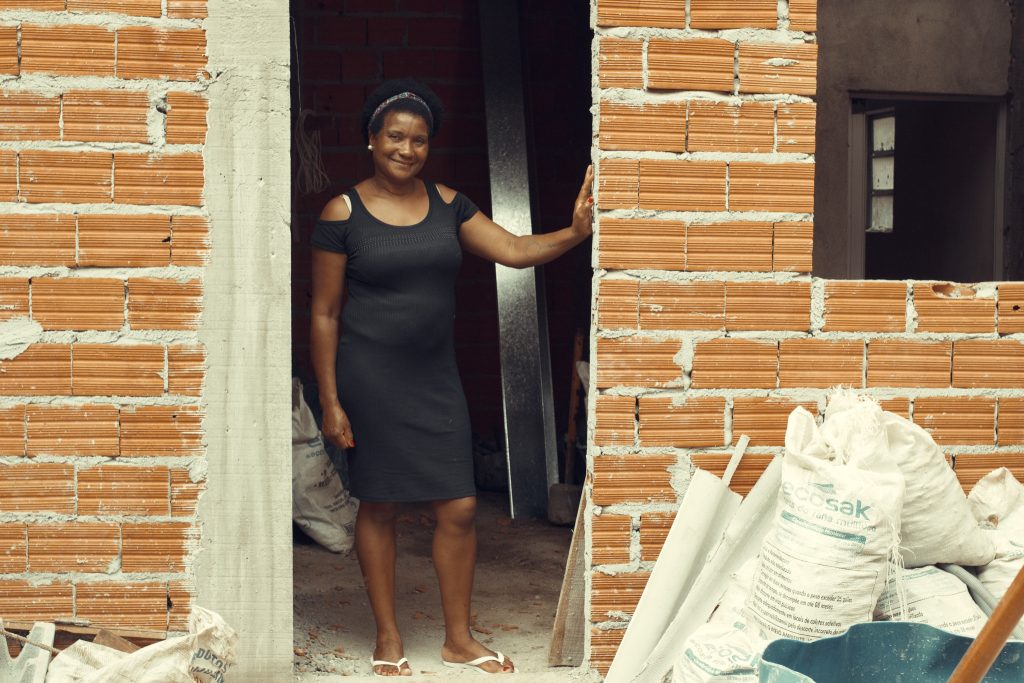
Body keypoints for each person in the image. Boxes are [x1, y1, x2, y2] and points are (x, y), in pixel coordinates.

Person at [310, 78, 593, 677]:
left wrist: (575, 232)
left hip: (435, 377)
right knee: (380, 503)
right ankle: (388, 637)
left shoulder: (449, 205)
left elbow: (514, 249)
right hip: (370, 380)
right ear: (371, 140)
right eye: (395, 137)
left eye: (418, 140)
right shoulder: (343, 212)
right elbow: (324, 312)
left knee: (460, 506)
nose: (406, 149)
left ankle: (458, 639)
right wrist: (331, 401)